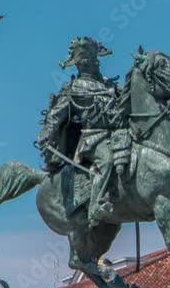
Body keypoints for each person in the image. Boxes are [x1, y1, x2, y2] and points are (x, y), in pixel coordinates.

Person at [36, 37, 125, 227]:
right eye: (85, 62)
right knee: (107, 160)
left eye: (93, 61)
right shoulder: (75, 88)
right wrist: (47, 133)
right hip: (94, 138)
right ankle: (96, 206)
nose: (91, 65)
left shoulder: (110, 85)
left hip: (119, 134)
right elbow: (55, 115)